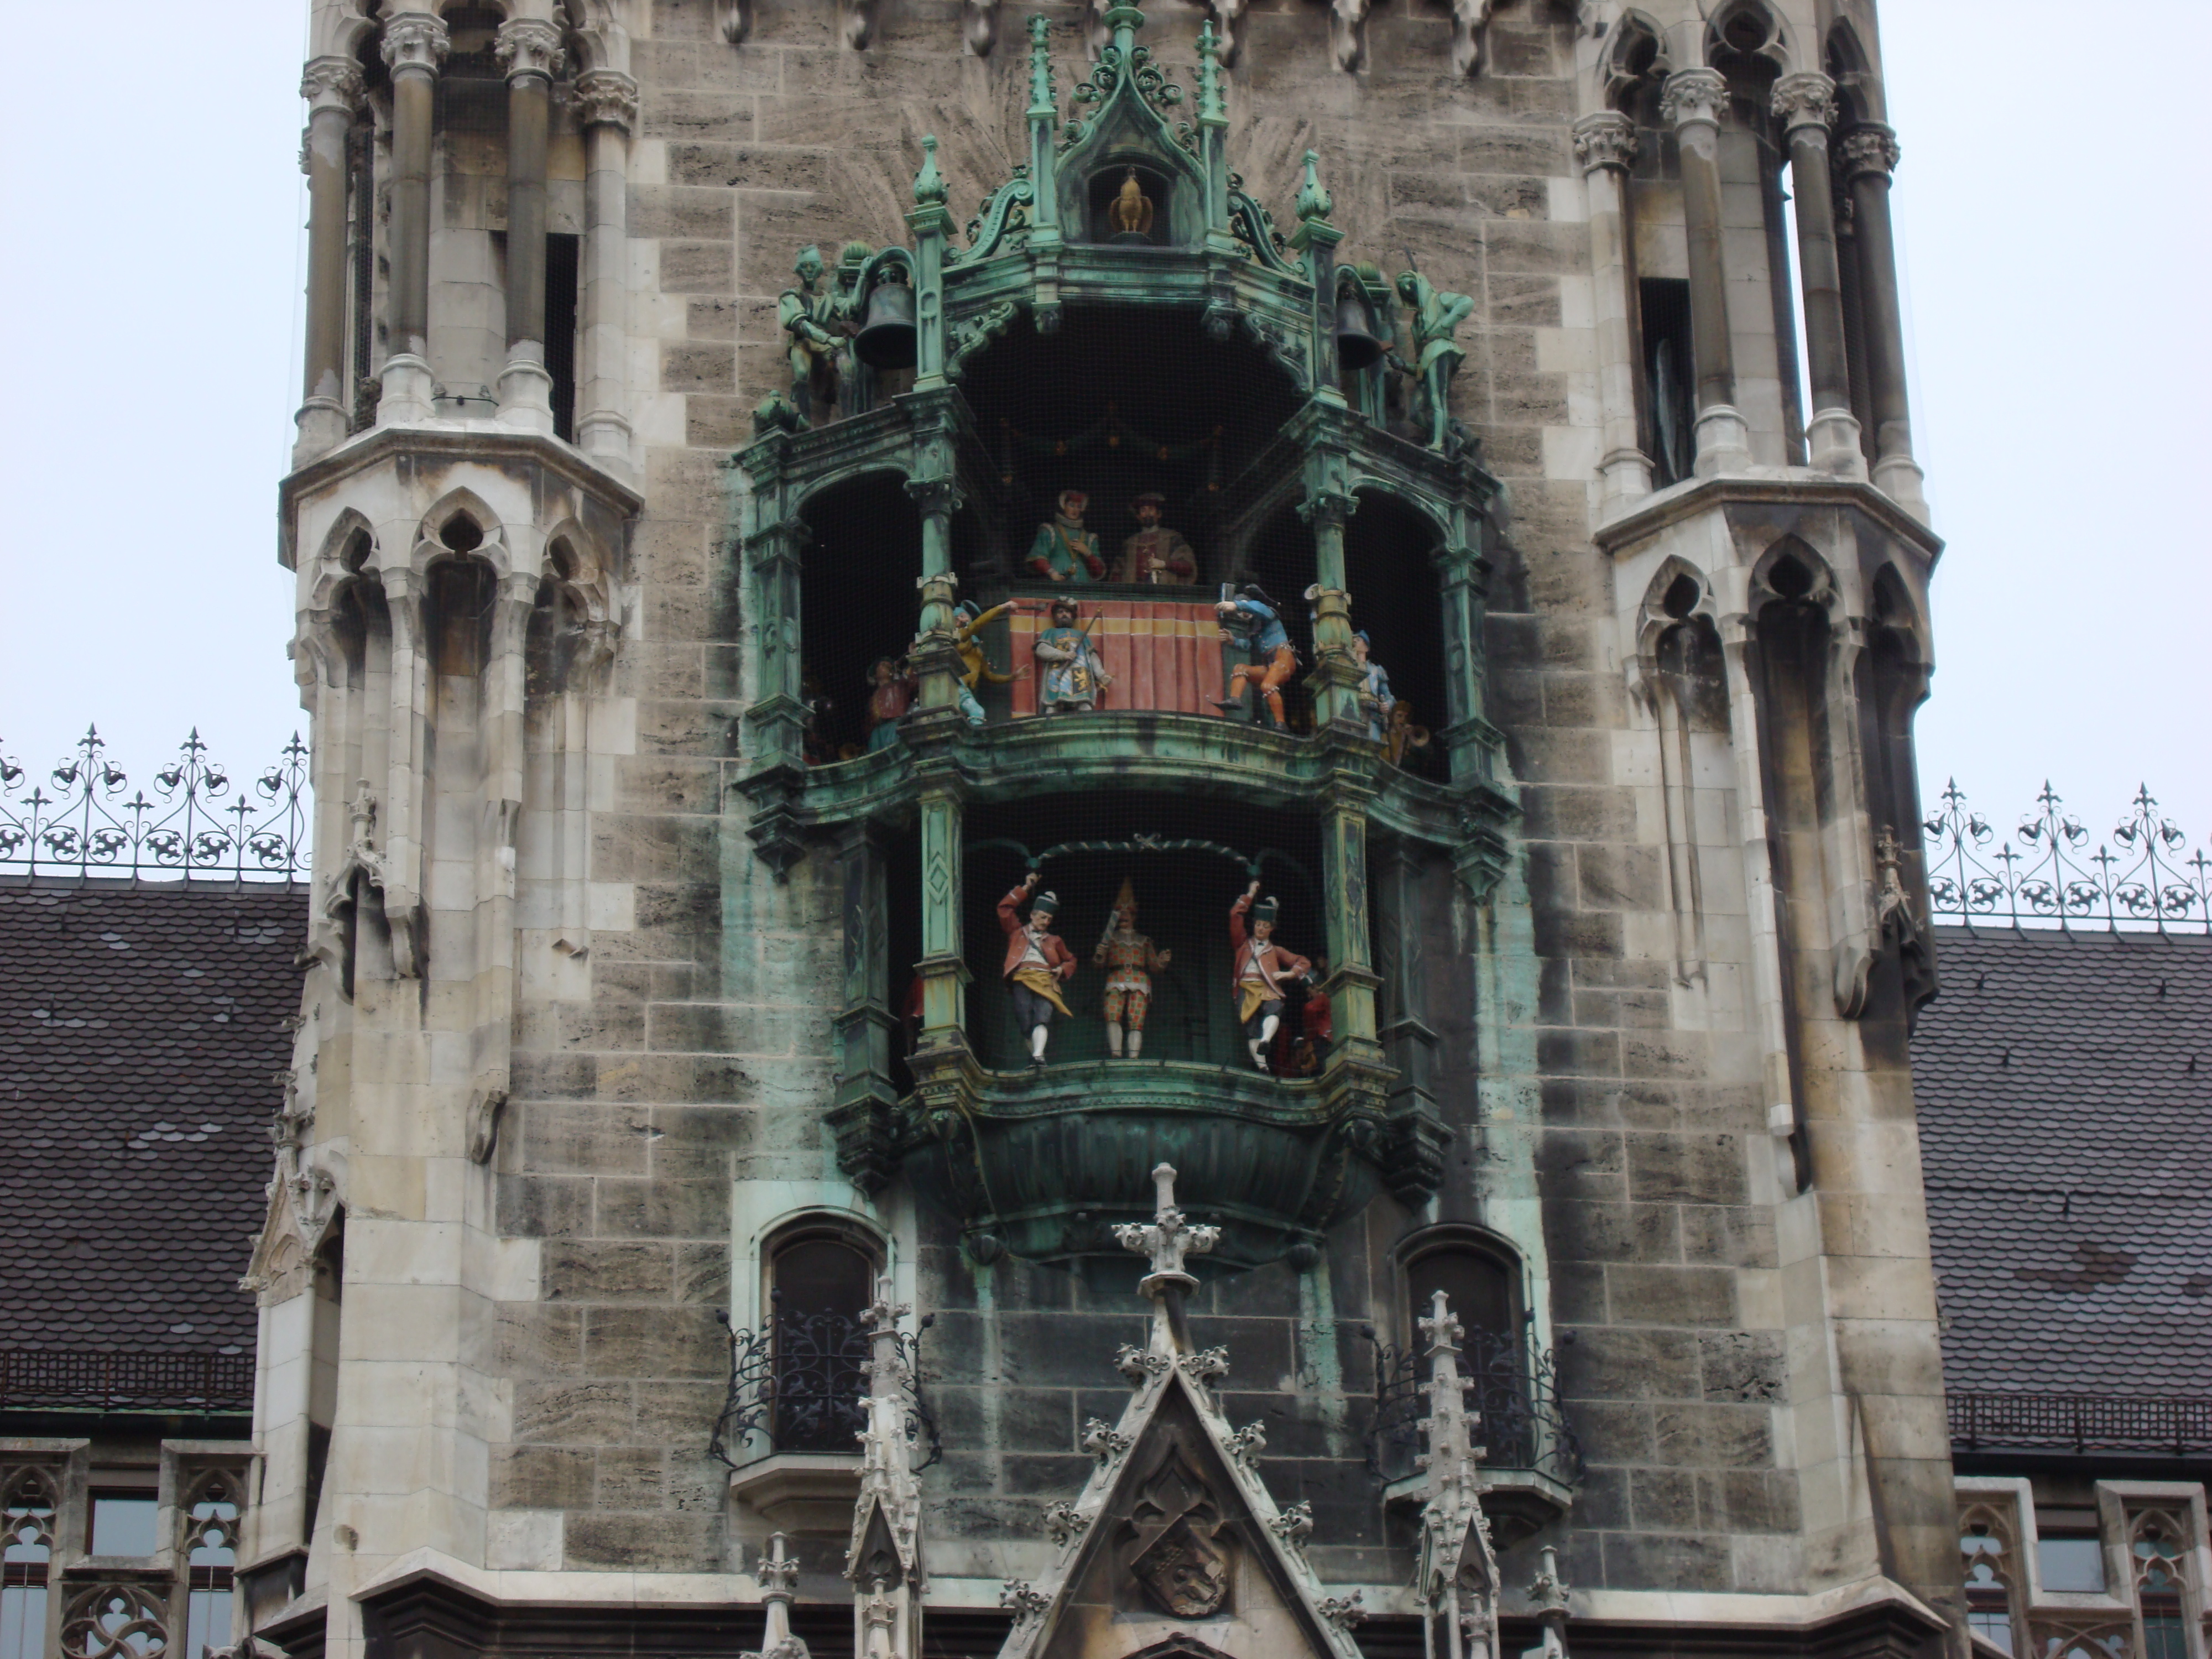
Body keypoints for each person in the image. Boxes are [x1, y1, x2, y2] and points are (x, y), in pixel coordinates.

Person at [1228, 879, 1312, 1074]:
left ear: (1271, 929)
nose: (1260, 929)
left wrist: (1289, 973)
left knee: (1274, 1007)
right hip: (1246, 987)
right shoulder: (1242, 944)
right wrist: (1250, 893)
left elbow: (1303, 962)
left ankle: (1266, 1040)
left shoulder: (1276, 950)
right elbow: (1235, 915)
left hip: (1267, 987)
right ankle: (1262, 1066)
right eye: (1258, 925)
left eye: (1265, 926)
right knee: (1251, 1028)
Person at [998, 873, 1077, 1068]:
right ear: (1032, 915)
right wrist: (1025, 888)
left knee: (1042, 1017)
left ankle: (1038, 1056)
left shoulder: (1054, 940)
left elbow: (1071, 960)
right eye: (1043, 917)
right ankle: (1034, 1055)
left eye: (1049, 919)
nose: (1046, 922)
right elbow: (1005, 909)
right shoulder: (1017, 932)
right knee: (1024, 1019)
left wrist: (1061, 969)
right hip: (1022, 978)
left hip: (1045, 980)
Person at [1092, 879, 1172, 1059]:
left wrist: (1162, 961)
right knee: (1113, 1014)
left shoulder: (1144, 941)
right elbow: (1098, 964)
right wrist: (1099, 954)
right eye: (1120, 912)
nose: (1123, 916)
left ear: (1134, 916)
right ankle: (1116, 1053)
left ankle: (1134, 1056)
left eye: (1127, 912)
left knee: (1136, 1019)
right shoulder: (1110, 938)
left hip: (1139, 980)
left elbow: (1154, 966)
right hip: (1116, 977)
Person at [778, 245, 844, 423]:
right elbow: (799, 323)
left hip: (824, 345)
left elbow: (851, 307)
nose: (809, 270)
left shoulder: (829, 298)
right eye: (804, 266)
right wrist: (828, 338)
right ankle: (805, 418)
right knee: (801, 372)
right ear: (799, 269)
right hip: (803, 342)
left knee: (845, 367)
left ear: (819, 269)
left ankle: (843, 406)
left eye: (813, 265)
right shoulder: (791, 296)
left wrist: (862, 279)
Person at [1215, 585, 1296, 731]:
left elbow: (1259, 608)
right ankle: (1235, 699)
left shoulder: (1268, 614)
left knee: (1267, 686)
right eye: (1240, 613)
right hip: (1271, 665)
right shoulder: (1253, 630)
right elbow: (1248, 645)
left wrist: (1238, 605)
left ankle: (1281, 723)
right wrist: (1233, 640)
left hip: (1283, 658)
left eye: (1245, 608)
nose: (1244, 613)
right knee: (1240, 669)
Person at [951, 600, 1027, 726]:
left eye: (963, 616)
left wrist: (1011, 677)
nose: (961, 620)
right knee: (977, 712)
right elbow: (977, 625)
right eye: (957, 618)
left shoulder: (977, 650)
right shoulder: (957, 637)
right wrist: (1001, 608)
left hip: (966, 690)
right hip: (955, 685)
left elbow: (989, 675)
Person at [1035, 598, 1112, 713]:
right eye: (1060, 612)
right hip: (1058, 672)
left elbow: (1092, 656)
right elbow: (1041, 649)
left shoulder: (1082, 635)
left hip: (1080, 675)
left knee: (1084, 705)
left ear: (1073, 615)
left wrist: (1101, 675)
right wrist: (1063, 655)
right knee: (1052, 705)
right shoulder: (1050, 633)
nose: (1064, 615)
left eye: (1067, 612)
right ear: (1055, 616)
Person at [1115, 493, 1197, 585]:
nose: (1147, 514)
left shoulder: (1172, 538)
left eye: (1151, 509)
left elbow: (1188, 567)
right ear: (1138, 516)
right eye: (1143, 510)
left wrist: (1164, 564)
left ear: (1159, 514)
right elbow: (1117, 573)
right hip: (1133, 591)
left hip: (1164, 590)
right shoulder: (1130, 544)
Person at [1025, 490, 1105, 582]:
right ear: (1064, 506)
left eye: (1079, 506)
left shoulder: (1089, 538)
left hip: (1082, 584)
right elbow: (1037, 558)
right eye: (1071, 505)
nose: (1075, 510)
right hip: (1057, 583)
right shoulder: (1050, 531)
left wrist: (1088, 553)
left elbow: (1099, 572)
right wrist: (1052, 573)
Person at [863, 657, 916, 752]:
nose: (888, 667)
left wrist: (913, 659)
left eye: (890, 665)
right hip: (878, 732)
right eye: (883, 665)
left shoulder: (900, 685)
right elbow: (869, 722)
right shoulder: (873, 697)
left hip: (896, 725)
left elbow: (912, 680)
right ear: (875, 674)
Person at [1353, 630, 1396, 744]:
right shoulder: (1349, 668)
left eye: (1358, 640)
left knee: (1373, 746)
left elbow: (1389, 697)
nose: (1354, 642)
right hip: (1354, 713)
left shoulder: (1376, 671)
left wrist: (1387, 705)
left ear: (1366, 648)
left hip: (1372, 714)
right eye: (1353, 640)